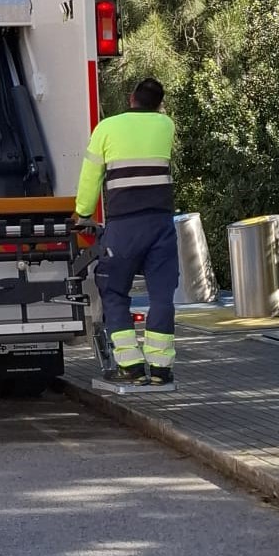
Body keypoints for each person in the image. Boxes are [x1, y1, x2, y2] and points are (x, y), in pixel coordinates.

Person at [73, 78, 179, 390]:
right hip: (161, 224)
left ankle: (130, 366)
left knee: (114, 290)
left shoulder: (106, 128)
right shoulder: (165, 126)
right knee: (162, 294)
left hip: (124, 226)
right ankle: (161, 370)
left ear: (131, 98)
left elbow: (91, 176)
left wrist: (82, 214)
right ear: (159, 104)